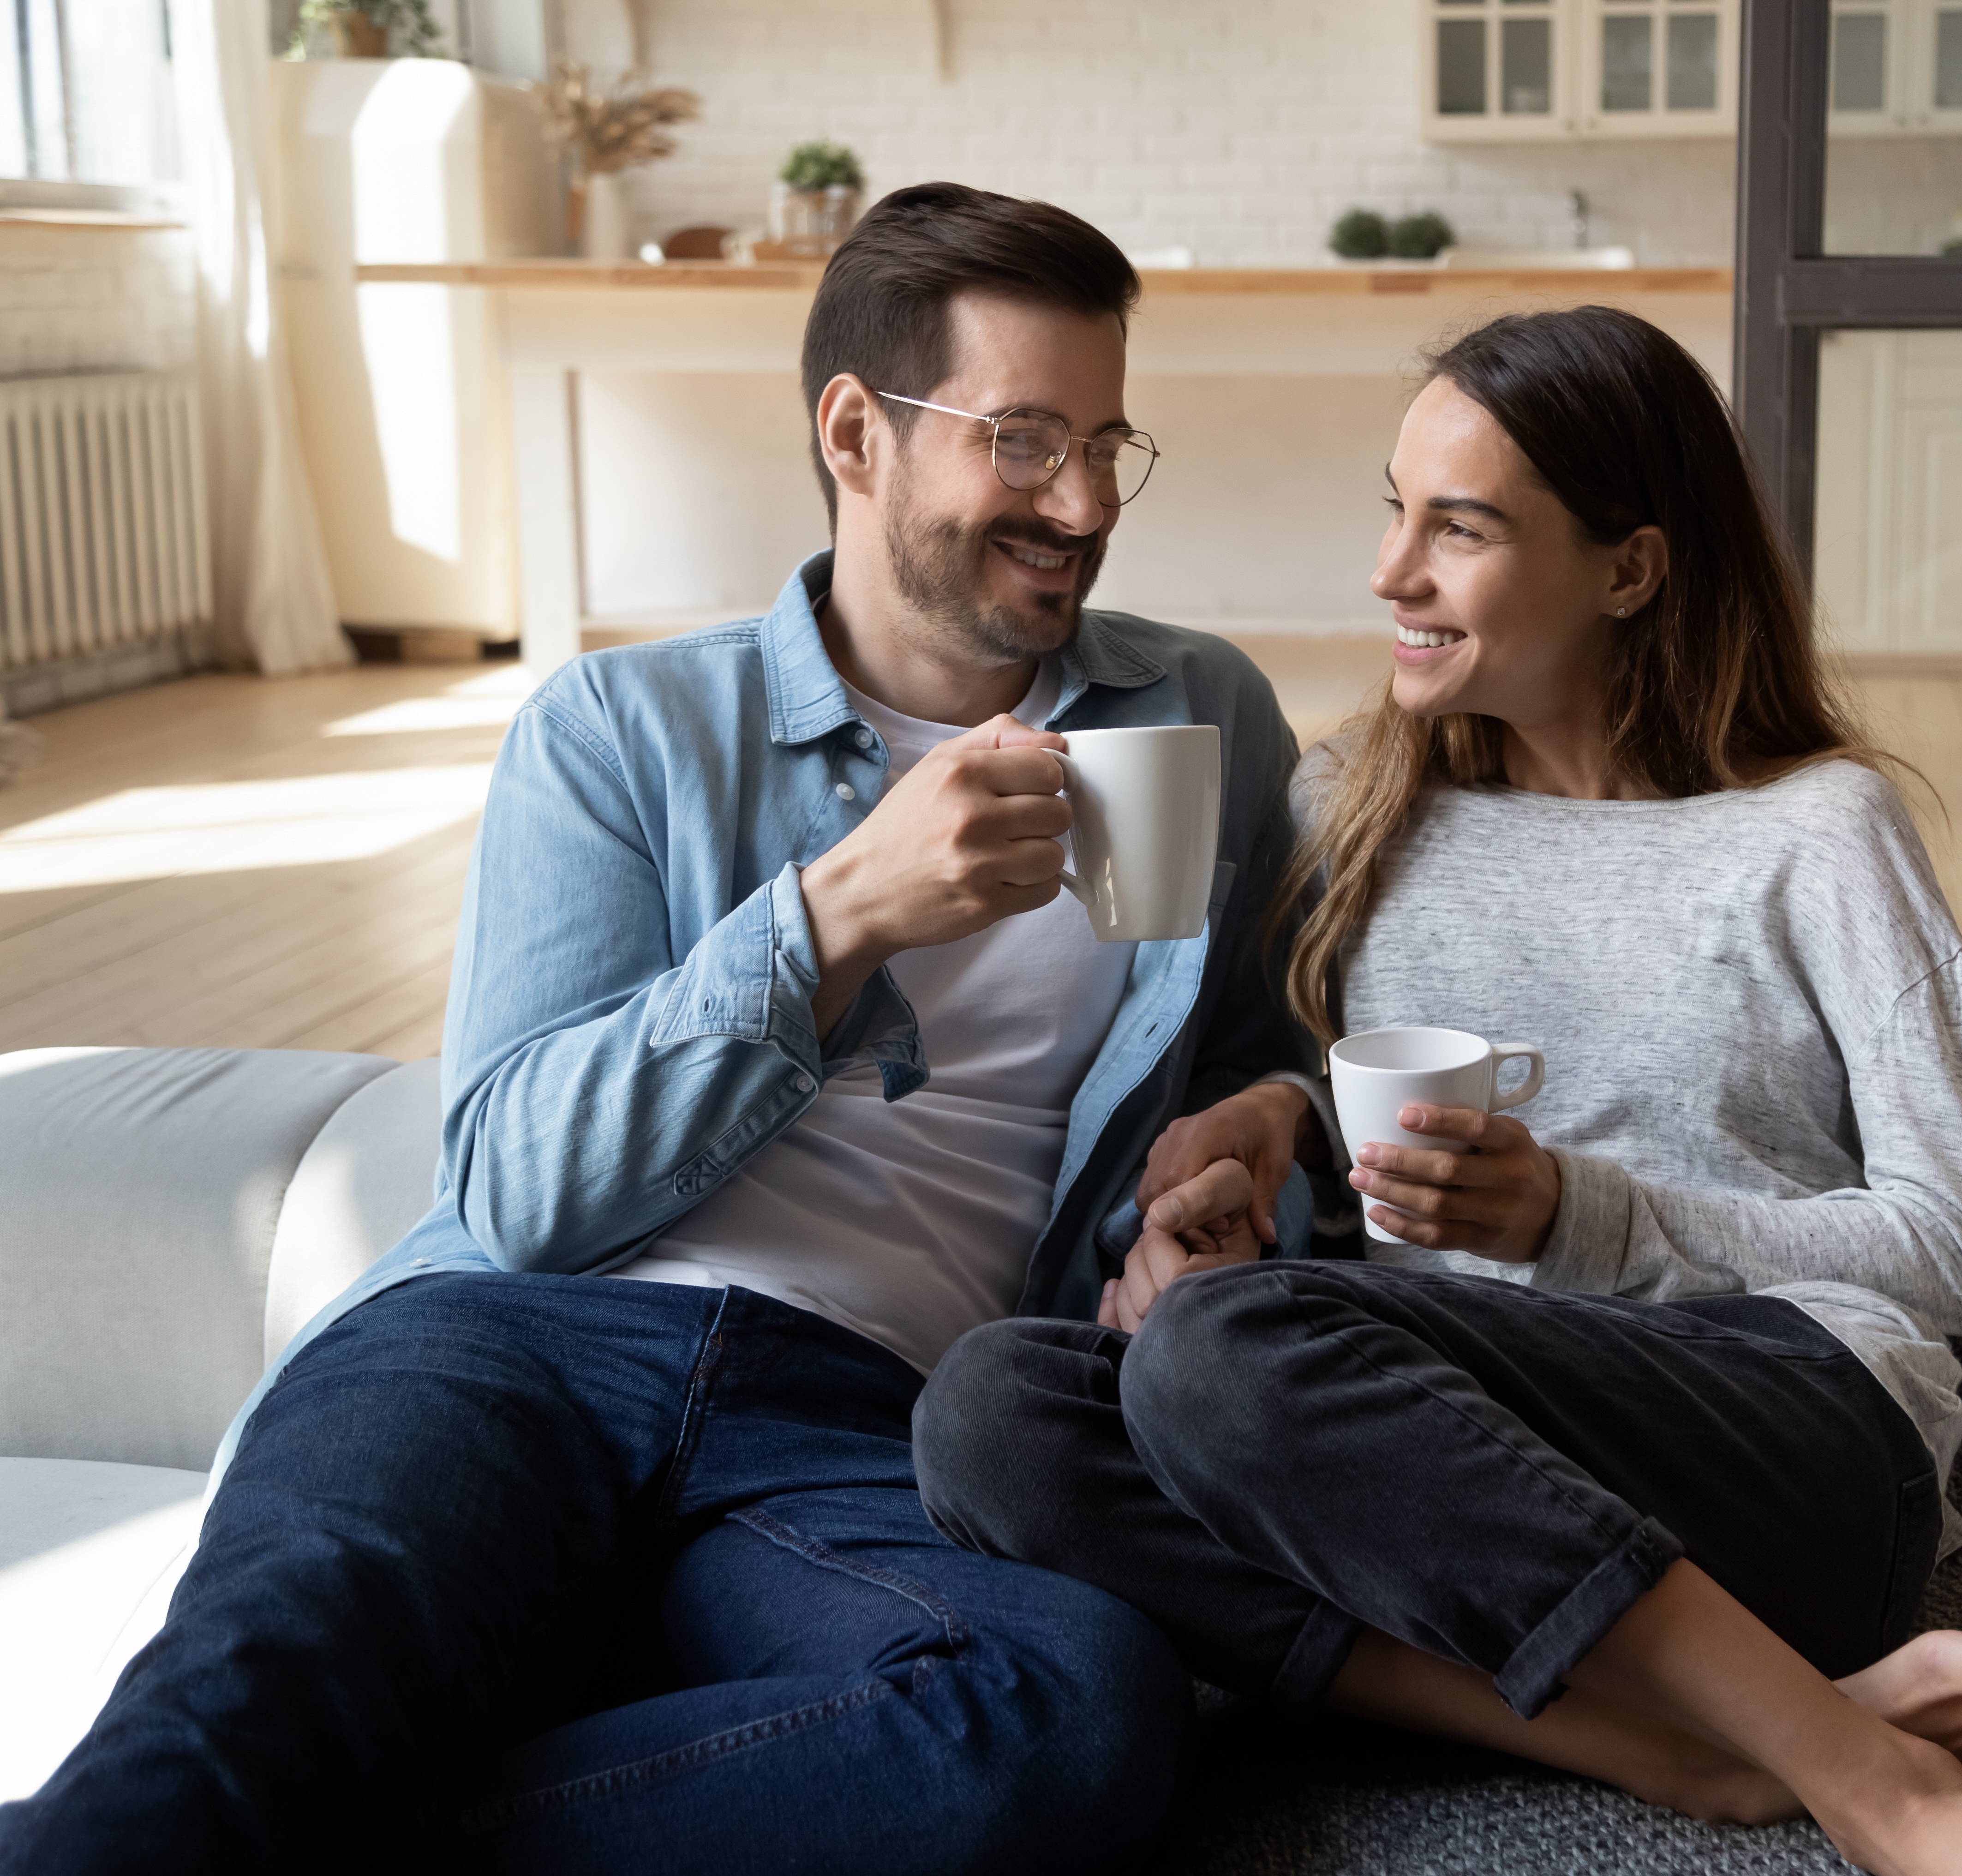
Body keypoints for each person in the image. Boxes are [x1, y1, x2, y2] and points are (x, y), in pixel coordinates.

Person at [0, 184, 1307, 1875]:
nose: (1078, 505)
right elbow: (525, 1187)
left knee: (1063, 1705)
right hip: (510, 1345)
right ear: (856, 430)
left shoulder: (1194, 710)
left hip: (871, 1415)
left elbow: (1268, 1049)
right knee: (259, 1692)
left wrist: (1261, 1123)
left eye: (1109, 446)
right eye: (1025, 440)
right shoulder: (621, 727)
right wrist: (834, 916)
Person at [915, 306, 1962, 1876]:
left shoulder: (1819, 833)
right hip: (1457, 1490)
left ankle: (1881, 1784)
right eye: (1394, 508)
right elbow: (1326, 1120)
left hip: (1788, 1436)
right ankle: (1680, 1746)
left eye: (1461, 527)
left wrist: (1586, 1211)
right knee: (993, 1410)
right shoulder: (1356, 803)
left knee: (1225, 1353)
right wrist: (1272, 1139)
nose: (1390, 573)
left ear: (1629, 569)